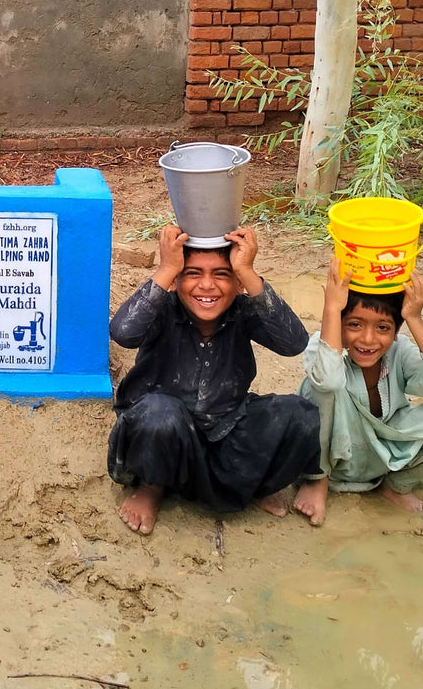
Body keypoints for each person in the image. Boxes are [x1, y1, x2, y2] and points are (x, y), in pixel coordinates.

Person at [108, 224, 320, 535]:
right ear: (177, 280)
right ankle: (152, 487)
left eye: (221, 274)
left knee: (299, 415)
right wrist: (166, 267)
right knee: (159, 415)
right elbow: (123, 333)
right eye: (193, 273)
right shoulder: (164, 309)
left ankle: (254, 488)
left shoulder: (242, 312)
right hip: (164, 433)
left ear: (237, 284)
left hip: (226, 426)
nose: (207, 285)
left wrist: (248, 271)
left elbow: (294, 343)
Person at [293, 258, 423, 526]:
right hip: (331, 455)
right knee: (325, 389)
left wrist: (414, 318)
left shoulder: (399, 351)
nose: (368, 339)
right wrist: (332, 308)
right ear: (340, 322)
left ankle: (394, 485)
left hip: (376, 456)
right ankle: (317, 480)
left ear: (395, 332)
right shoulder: (320, 346)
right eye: (354, 324)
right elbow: (327, 382)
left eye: (383, 327)